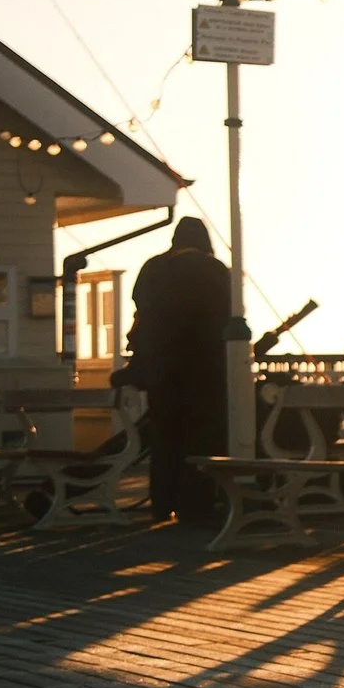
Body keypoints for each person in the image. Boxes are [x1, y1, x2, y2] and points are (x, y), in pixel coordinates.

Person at [113, 216, 230, 524]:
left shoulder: (153, 268)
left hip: (161, 368)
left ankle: (163, 503)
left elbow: (142, 310)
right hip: (206, 370)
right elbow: (226, 318)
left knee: (165, 438)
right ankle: (197, 506)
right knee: (202, 438)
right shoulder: (215, 271)